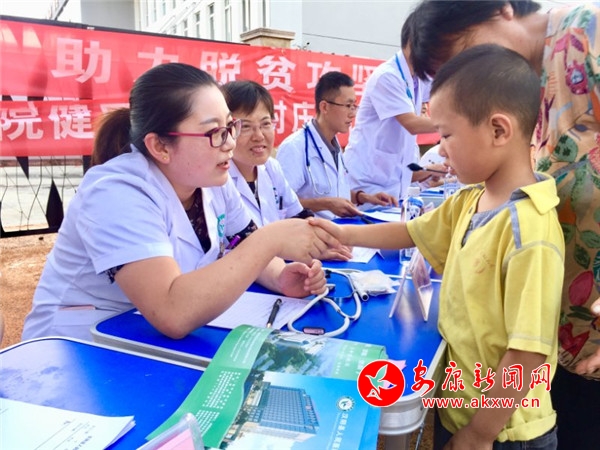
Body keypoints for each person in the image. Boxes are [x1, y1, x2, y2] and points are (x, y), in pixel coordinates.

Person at [312, 45, 564, 450]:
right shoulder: (471, 199)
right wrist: (341, 235)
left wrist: (478, 435)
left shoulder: (529, 231)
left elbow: (527, 355)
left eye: (446, 134)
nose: (440, 149)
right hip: (461, 408)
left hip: (503, 430)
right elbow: (412, 232)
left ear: (499, 131)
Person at [21, 63, 333, 342]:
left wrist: (280, 277)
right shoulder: (116, 191)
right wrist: (271, 240)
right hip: (77, 345)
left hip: (143, 336)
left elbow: (244, 240)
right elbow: (172, 311)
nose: (229, 143)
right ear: (160, 146)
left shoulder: (213, 180)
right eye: (215, 132)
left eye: (230, 127)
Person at [408, 2, 600, 448]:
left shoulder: (586, 36)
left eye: (461, 53)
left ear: (501, 9)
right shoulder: (530, 86)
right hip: (563, 332)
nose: (466, 74)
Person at [222, 80, 353, 261]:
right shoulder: (219, 180)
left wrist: (330, 240)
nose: (259, 136)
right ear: (226, 130)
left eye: (265, 124)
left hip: (278, 266)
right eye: (245, 127)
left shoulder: (271, 168)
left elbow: (299, 215)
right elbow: (242, 245)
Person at [343, 13, 444, 202]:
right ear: (414, 42)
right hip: (367, 183)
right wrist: (457, 124)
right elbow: (412, 124)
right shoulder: (388, 76)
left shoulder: (418, 77)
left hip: (393, 182)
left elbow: (446, 92)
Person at [276, 71, 398, 220]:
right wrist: (326, 204)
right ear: (324, 107)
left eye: (354, 106)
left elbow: (334, 192)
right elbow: (281, 204)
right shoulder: (295, 147)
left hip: (338, 228)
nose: (352, 114)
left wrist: (363, 197)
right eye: (347, 105)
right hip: (310, 231)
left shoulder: (333, 145)